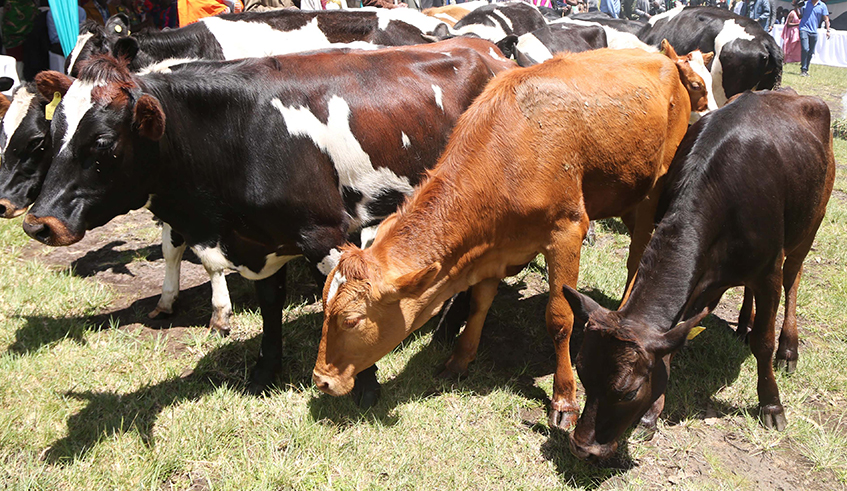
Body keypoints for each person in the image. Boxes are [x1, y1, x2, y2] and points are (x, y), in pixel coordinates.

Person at [798, 0, 830, 76]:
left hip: (814, 31)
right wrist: (798, 7)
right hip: (804, 29)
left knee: (811, 51)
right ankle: (803, 69)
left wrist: (828, 30)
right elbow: (800, 16)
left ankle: (806, 69)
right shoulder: (805, 4)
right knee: (805, 49)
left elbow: (826, 18)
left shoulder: (822, 6)